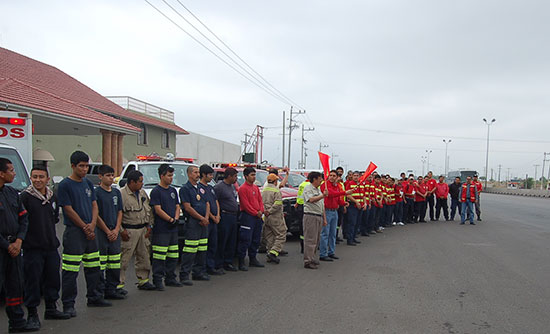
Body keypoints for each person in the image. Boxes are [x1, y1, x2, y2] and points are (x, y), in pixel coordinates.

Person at [58, 151, 111, 317]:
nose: (84, 169)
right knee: (70, 270)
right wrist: (84, 227)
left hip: (91, 230)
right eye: (81, 166)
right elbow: (68, 209)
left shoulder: (88, 184)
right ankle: (68, 304)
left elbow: (94, 205)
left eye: (86, 166)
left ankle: (94, 297)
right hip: (75, 232)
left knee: (93, 267)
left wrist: (93, 224)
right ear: (73, 166)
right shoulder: (65, 185)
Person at [20, 166, 70, 331]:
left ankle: (51, 308)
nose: (38, 180)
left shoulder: (51, 197)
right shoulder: (25, 198)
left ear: (47, 179)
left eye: (41, 177)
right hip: (32, 248)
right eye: (34, 177)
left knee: (53, 278)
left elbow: (54, 217)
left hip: (50, 246)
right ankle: (32, 314)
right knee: (32, 281)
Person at [0, 158, 33, 333]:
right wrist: (7, 245)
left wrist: (19, 241)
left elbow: (24, 218)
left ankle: (17, 321)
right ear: (1, 173)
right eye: (11, 170)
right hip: (3, 247)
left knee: (15, 285)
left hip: (14, 246)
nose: (14, 173)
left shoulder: (12, 193)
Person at [119, 170, 156, 291]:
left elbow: (149, 211)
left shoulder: (142, 193)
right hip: (129, 230)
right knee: (123, 259)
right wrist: (121, 230)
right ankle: (118, 285)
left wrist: (149, 226)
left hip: (142, 230)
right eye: (140, 181)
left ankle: (143, 280)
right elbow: (117, 215)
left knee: (144, 257)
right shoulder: (122, 195)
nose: (142, 183)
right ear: (132, 182)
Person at [95, 165, 125, 300]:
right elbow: (96, 215)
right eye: (108, 175)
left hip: (115, 231)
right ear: (100, 177)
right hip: (102, 232)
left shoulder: (116, 192)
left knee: (114, 262)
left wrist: (117, 229)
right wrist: (107, 231)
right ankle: (100, 291)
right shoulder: (97, 193)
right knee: (101, 263)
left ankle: (112, 288)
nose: (111, 178)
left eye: (112, 175)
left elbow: (120, 211)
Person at [150, 164, 182, 290]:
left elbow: (177, 206)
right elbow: (157, 209)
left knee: (173, 255)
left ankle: (171, 278)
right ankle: (158, 280)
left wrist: (176, 219)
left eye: (172, 175)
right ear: (162, 176)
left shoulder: (173, 191)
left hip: (173, 228)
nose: (171, 178)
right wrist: (169, 219)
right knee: (159, 256)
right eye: (169, 175)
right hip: (162, 229)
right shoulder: (156, 191)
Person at [179, 165, 210, 285]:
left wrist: (206, 218)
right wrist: (201, 218)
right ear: (189, 174)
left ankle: (198, 272)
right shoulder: (185, 189)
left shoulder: (201, 188)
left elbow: (207, 203)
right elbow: (187, 207)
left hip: (204, 223)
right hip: (193, 223)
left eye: (198, 172)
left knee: (202, 249)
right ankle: (184, 275)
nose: (198, 174)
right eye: (196, 172)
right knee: (190, 250)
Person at [236, 167, 265, 271]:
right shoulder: (242, 189)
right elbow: (245, 204)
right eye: (252, 175)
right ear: (246, 176)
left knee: (256, 239)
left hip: (257, 217)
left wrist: (261, 211)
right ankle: (241, 261)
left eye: (254, 175)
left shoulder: (256, 188)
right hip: (247, 217)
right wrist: (255, 212)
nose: (254, 177)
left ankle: (253, 258)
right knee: (245, 239)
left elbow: (260, 201)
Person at [319, 170, 350, 262]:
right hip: (327, 211)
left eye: (334, 176)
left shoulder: (337, 186)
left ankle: (331, 252)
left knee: (332, 233)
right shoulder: (325, 185)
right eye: (330, 175)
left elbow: (337, 199)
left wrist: (344, 203)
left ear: (337, 177)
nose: (331, 177)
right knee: (325, 233)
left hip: (334, 211)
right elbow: (330, 194)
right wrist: (344, 193)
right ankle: (323, 254)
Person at [198, 165, 223, 276]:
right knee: (205, 246)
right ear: (203, 175)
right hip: (207, 221)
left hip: (215, 221)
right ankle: (203, 267)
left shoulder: (211, 188)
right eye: (210, 175)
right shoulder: (199, 189)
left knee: (213, 244)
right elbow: (205, 205)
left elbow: (215, 202)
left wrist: (218, 215)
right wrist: (212, 217)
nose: (211, 177)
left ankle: (211, 266)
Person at [213, 167, 239, 272]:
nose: (236, 178)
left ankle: (228, 262)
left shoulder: (232, 186)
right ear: (229, 176)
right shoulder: (219, 187)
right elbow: (215, 201)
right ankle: (218, 264)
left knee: (231, 241)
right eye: (235, 176)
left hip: (233, 216)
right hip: (225, 216)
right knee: (222, 240)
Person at [302, 172, 327, 269]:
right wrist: (323, 196)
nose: (321, 180)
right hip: (310, 215)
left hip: (318, 216)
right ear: (314, 179)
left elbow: (322, 205)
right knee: (310, 239)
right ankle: (307, 261)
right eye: (320, 178)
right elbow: (311, 199)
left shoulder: (318, 190)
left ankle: (312, 258)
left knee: (316, 240)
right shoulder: (308, 188)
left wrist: (324, 218)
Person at [261, 174, 286, 264]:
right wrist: (270, 211)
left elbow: (261, 202)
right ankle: (273, 252)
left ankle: (270, 254)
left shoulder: (264, 190)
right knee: (281, 234)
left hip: (266, 217)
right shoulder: (276, 190)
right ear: (275, 181)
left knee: (270, 236)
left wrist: (265, 211)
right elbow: (278, 203)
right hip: (275, 216)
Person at [344, 171, 362, 245]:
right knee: (352, 223)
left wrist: (364, 203)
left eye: (357, 176)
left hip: (359, 206)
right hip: (352, 206)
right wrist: (356, 202)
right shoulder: (350, 184)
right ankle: (349, 239)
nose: (356, 177)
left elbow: (363, 194)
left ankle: (354, 237)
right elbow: (348, 195)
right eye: (354, 175)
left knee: (357, 223)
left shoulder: (360, 184)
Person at [295, 178, 310, 253]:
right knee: (308, 228)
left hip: (300, 206)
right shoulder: (310, 185)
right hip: (307, 207)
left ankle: (302, 247)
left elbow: (299, 196)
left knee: (302, 228)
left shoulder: (302, 184)